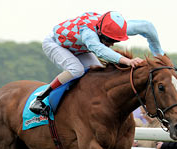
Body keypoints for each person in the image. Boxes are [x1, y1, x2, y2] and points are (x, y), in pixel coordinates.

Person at [29, 11, 164, 114]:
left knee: (99, 73)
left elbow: (147, 27)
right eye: (109, 40)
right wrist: (128, 61)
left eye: (115, 41)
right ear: (99, 32)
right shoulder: (88, 33)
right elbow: (101, 51)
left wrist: (160, 57)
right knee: (76, 70)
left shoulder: (115, 27)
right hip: (55, 44)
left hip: (78, 47)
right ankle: (40, 99)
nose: (111, 44)